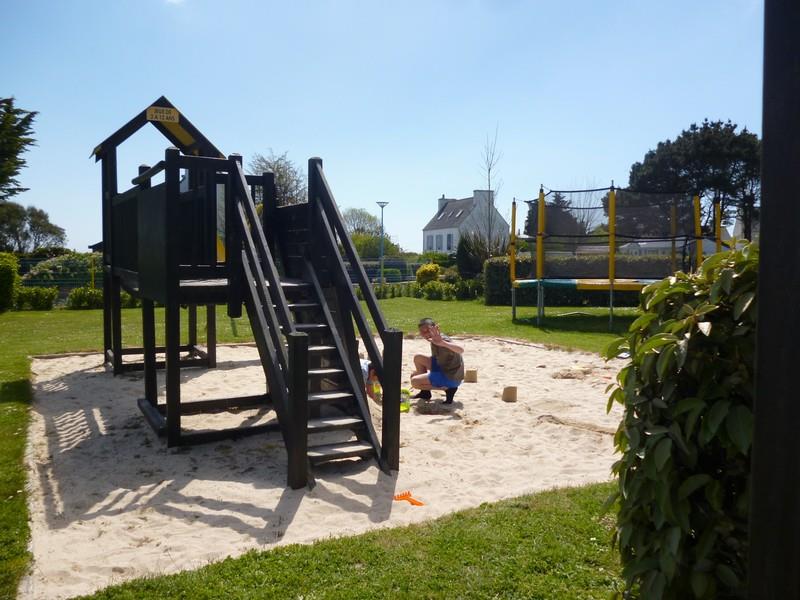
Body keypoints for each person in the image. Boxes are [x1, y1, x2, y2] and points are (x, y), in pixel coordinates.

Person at [410, 317, 464, 404]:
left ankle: (447, 389)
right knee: (418, 358)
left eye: (428, 330)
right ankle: (425, 393)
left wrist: (442, 343)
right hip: (444, 368)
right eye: (422, 331)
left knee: (414, 381)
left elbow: (461, 350)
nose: (425, 333)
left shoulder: (442, 339)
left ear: (435, 328)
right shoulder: (435, 339)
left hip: (450, 376)